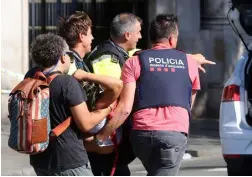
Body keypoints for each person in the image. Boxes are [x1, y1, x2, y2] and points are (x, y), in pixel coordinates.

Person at [101, 14, 200, 176]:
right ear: (172, 39)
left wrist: (102, 135)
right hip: (173, 135)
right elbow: (188, 104)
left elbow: (125, 108)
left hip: (141, 136)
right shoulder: (189, 63)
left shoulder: (134, 62)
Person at [27, 33, 118, 176]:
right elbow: (86, 123)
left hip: (40, 157)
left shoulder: (30, 77)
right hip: (69, 160)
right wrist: (108, 109)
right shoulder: (66, 82)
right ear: (63, 57)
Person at [58, 11, 128, 176]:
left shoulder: (77, 61)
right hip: (75, 139)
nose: (93, 38)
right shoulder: (71, 64)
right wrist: (108, 109)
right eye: (90, 34)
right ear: (82, 36)